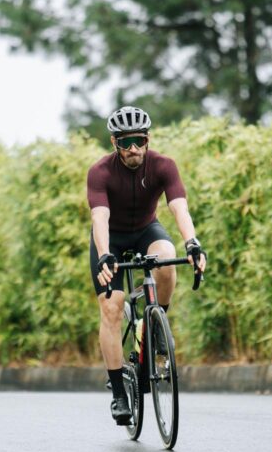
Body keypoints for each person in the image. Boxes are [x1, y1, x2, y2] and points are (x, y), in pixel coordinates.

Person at [86, 106, 207, 425]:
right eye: (125, 142)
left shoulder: (164, 165)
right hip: (110, 239)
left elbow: (180, 208)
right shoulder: (100, 172)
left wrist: (192, 243)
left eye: (138, 140)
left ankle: (155, 323)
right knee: (112, 307)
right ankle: (117, 393)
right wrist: (103, 255)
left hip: (145, 230)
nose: (133, 149)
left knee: (167, 258)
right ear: (114, 143)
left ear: (148, 138)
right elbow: (100, 217)